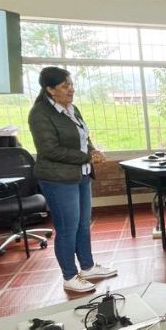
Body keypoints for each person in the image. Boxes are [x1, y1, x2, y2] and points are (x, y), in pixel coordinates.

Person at [28, 67, 116, 293]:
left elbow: (84, 138)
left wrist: (93, 151)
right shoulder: (40, 113)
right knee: (67, 228)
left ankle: (86, 267)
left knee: (82, 224)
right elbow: (49, 150)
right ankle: (69, 275)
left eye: (71, 84)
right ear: (49, 89)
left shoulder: (72, 109)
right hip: (57, 179)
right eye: (65, 86)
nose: (71, 89)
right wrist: (87, 156)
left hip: (81, 174)